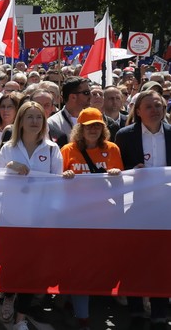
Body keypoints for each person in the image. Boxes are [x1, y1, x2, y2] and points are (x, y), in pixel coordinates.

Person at [0, 101, 64, 330]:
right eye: (29, 117)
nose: (34, 122)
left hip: (39, 220)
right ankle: (8, 297)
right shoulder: (8, 149)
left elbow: (58, 187)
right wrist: (10, 166)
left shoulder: (52, 149)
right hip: (11, 218)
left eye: (39, 118)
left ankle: (20, 318)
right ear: (20, 121)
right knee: (9, 264)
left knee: (31, 267)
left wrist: (51, 216)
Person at [58, 107, 123, 329]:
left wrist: (116, 177)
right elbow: (56, 184)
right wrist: (63, 177)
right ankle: (82, 316)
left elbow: (120, 186)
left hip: (103, 220)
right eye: (89, 126)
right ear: (80, 129)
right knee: (79, 266)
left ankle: (73, 299)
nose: (94, 129)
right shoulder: (67, 150)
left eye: (98, 125)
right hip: (74, 220)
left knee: (97, 265)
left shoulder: (112, 149)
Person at [114, 90, 171, 329]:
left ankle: (159, 312)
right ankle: (136, 310)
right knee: (136, 261)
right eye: (148, 106)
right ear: (138, 111)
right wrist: (131, 170)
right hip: (135, 209)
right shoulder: (125, 136)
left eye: (158, 105)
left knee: (162, 262)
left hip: (166, 210)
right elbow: (116, 171)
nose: (154, 110)